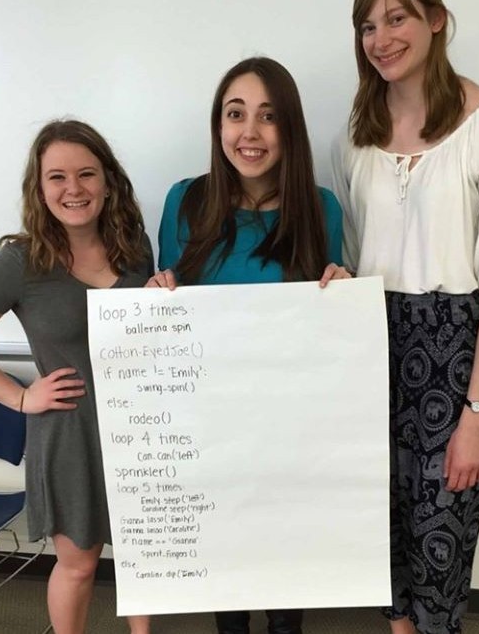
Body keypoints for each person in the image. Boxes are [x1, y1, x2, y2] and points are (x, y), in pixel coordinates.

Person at [331, 0, 479, 634]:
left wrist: (476, 411)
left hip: (453, 356)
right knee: (384, 531)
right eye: (366, 25)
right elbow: (356, 261)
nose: (380, 38)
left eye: (396, 17)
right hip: (374, 352)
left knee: (441, 538)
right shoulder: (352, 140)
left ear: (437, 20)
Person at [149, 56, 350, 634]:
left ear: (289, 129)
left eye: (268, 117)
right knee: (226, 569)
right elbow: (173, 300)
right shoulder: (185, 201)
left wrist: (342, 287)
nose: (250, 133)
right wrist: (159, 290)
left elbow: (325, 324)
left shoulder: (321, 207)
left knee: (285, 572)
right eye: (235, 115)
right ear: (218, 127)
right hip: (208, 424)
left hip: (287, 426)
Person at [0, 120, 154, 634]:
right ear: (39, 188)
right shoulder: (20, 261)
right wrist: (18, 398)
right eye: (57, 177)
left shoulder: (135, 245)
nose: (73, 189)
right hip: (69, 433)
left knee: (146, 552)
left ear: (108, 180)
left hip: (142, 424)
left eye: (86, 174)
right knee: (79, 564)